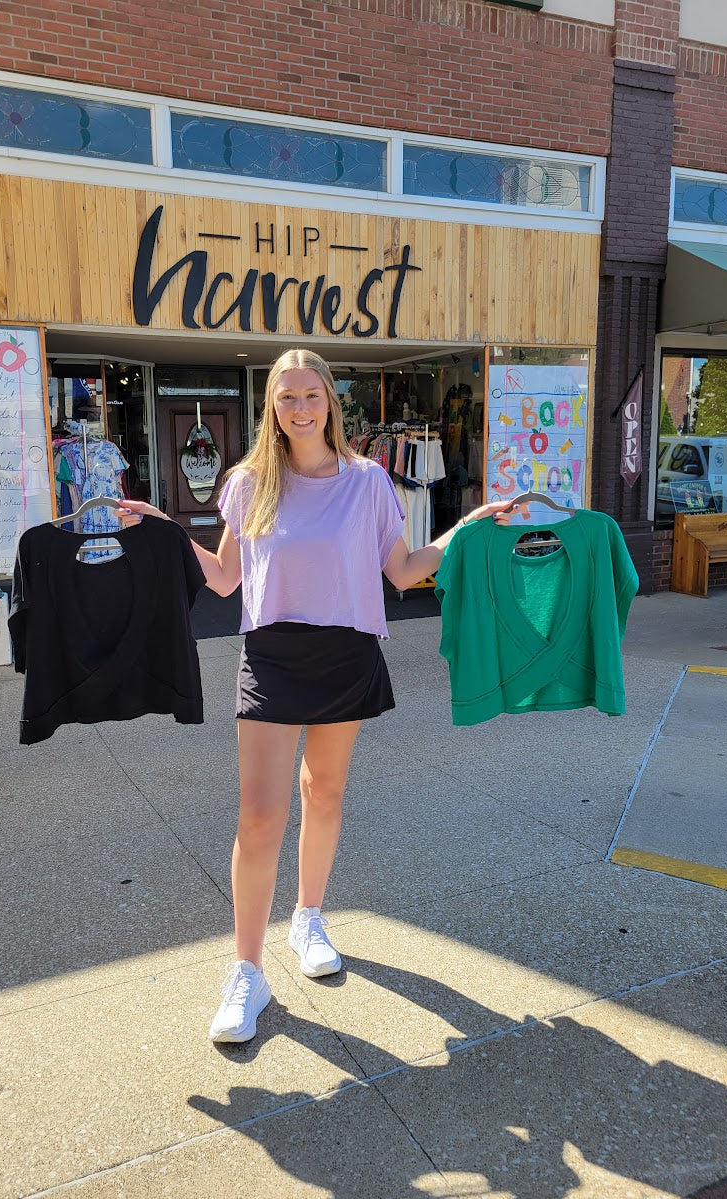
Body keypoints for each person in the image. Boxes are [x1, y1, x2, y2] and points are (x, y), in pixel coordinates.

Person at [117, 348, 517, 1044]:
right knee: (259, 814)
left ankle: (307, 917)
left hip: (345, 652)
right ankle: (246, 970)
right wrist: (164, 528)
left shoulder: (367, 482)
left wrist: (469, 527)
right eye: (285, 397)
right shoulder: (248, 482)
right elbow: (222, 579)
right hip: (271, 654)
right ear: (271, 406)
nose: (298, 408)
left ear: (331, 401)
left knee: (324, 792)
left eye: (310, 395)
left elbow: (403, 569)